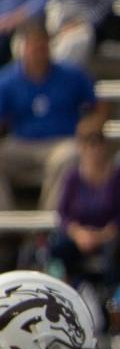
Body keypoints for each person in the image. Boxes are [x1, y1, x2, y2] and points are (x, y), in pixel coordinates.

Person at [0, 21, 98, 210]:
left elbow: (97, 105)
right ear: (23, 49)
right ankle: (6, 226)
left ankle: (46, 228)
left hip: (60, 143)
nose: (38, 52)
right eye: (33, 47)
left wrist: (90, 124)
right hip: (21, 143)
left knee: (70, 155)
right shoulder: (7, 80)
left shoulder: (71, 75)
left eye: (42, 47)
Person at [49, 125, 120, 292]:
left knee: (116, 251)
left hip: (110, 234)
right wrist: (78, 233)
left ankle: (112, 296)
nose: (93, 151)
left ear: (105, 146)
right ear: (81, 148)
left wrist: (102, 235)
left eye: (97, 145)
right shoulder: (72, 177)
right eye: (88, 146)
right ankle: (60, 291)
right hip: (79, 236)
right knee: (56, 249)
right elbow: (63, 213)